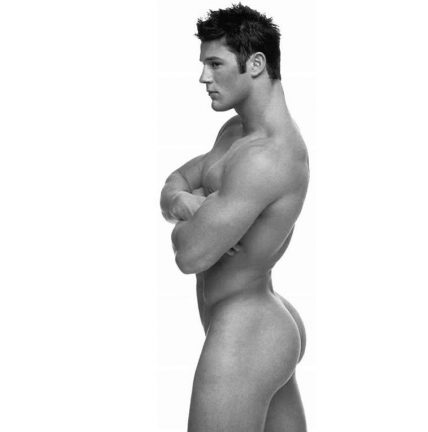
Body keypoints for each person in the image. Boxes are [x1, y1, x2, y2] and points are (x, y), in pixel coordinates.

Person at [159, 4, 310, 431]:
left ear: (256, 64)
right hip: (254, 324)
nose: (203, 78)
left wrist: (189, 215)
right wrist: (190, 204)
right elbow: (173, 183)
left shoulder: (268, 157)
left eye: (215, 64)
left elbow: (190, 255)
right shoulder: (234, 134)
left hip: (248, 332)